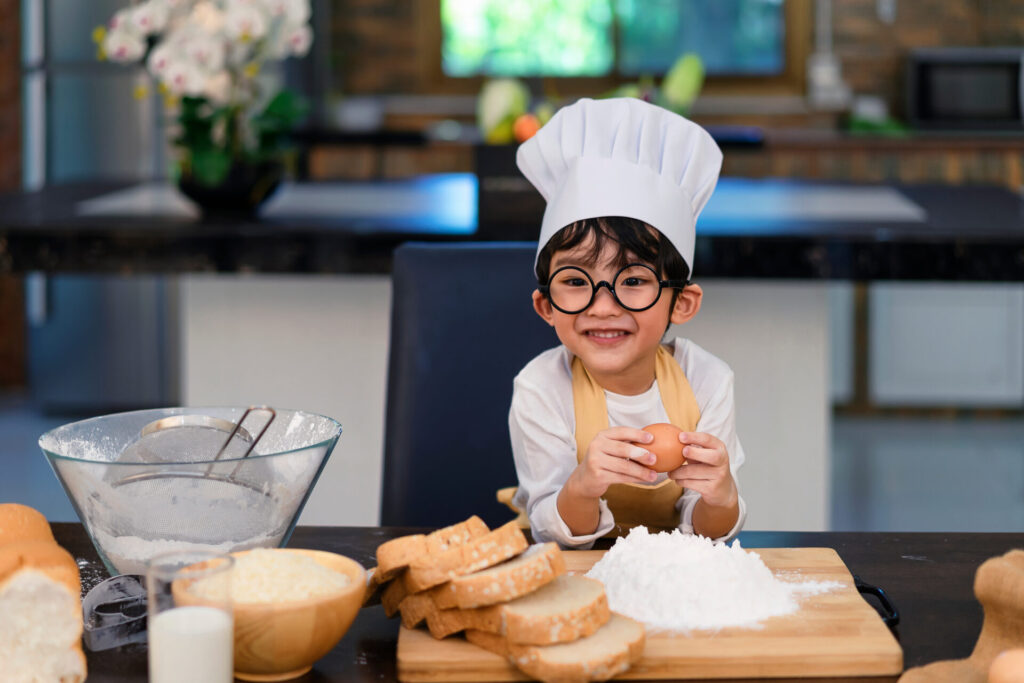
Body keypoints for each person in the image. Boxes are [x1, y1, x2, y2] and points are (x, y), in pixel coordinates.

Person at [508, 97, 746, 549]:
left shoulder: (707, 381)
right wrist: (584, 483)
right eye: (577, 281)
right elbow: (553, 532)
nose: (603, 306)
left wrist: (721, 493)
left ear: (682, 303)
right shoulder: (541, 387)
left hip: (676, 587)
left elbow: (709, 534)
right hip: (573, 578)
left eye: (633, 279)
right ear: (546, 307)